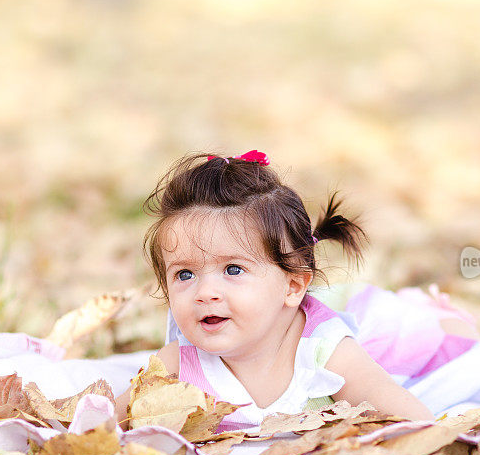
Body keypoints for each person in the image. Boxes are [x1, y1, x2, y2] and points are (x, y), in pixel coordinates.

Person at [117, 150, 442, 428]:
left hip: (387, 336)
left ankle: (443, 317)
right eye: (185, 274)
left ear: (293, 284)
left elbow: (412, 418)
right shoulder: (180, 359)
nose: (205, 292)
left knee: (426, 334)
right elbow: (113, 421)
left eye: (233, 269)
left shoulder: (324, 351)